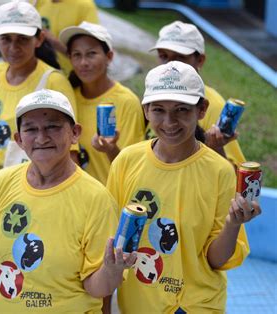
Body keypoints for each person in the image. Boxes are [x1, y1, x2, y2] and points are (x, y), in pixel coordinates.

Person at [106, 61, 261, 313]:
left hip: (196, 304)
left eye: (181, 110)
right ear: (145, 110)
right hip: (138, 303)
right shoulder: (126, 161)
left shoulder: (219, 171)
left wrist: (233, 224)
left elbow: (216, 260)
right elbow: (111, 242)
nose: (169, 122)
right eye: (159, 110)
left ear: (202, 110)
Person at [0, 89, 136, 312]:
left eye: (53, 127)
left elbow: (97, 287)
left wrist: (112, 271)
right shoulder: (2, 183)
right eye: (31, 129)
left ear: (74, 133)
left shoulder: (96, 198)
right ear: (18, 139)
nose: (42, 138)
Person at [0, 0, 77, 203]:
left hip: (31, 198)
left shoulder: (54, 81)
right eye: (5, 39)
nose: (13, 47)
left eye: (22, 39)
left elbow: (70, 151)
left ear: (39, 39)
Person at [147, 20, 246, 168]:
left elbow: (239, 179)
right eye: (163, 56)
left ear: (200, 60)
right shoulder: (154, 96)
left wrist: (215, 148)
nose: (170, 64)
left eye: (179, 57)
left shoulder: (214, 106)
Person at [59, 21, 145, 184]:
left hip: (110, 200)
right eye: (77, 55)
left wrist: (110, 149)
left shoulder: (126, 102)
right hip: (76, 199)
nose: (83, 62)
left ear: (109, 57)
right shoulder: (68, 98)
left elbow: (134, 168)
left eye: (91, 54)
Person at [36, 0, 99, 74]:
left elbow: (90, 54)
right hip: (35, 71)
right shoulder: (39, 1)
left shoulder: (85, 5)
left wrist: (54, 42)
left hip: (65, 76)